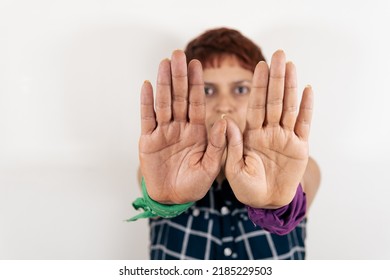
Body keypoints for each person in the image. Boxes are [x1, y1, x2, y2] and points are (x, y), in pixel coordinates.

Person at [131, 27, 321, 260]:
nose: (224, 104)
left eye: (240, 89)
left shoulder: (301, 170)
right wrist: (167, 200)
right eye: (208, 90)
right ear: (187, 97)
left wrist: (275, 203)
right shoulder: (162, 169)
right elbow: (152, 188)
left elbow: (302, 184)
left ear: (262, 94)